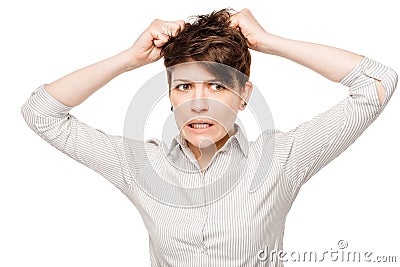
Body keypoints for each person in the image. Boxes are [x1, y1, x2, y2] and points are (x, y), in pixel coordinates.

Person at [21, 8, 397, 267]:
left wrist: (268, 41)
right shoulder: (139, 165)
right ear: (169, 95)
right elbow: (40, 112)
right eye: (184, 86)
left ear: (244, 95)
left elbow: (377, 82)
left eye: (216, 86)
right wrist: (129, 59)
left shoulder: (281, 158)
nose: (198, 103)